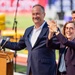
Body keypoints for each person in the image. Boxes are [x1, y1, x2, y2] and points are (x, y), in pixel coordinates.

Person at [0, 4, 56, 75]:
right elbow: (18, 46)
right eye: (33, 14)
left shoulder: (50, 29)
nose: (35, 16)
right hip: (30, 70)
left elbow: (58, 45)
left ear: (44, 14)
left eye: (37, 14)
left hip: (46, 71)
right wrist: (1, 41)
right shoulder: (28, 30)